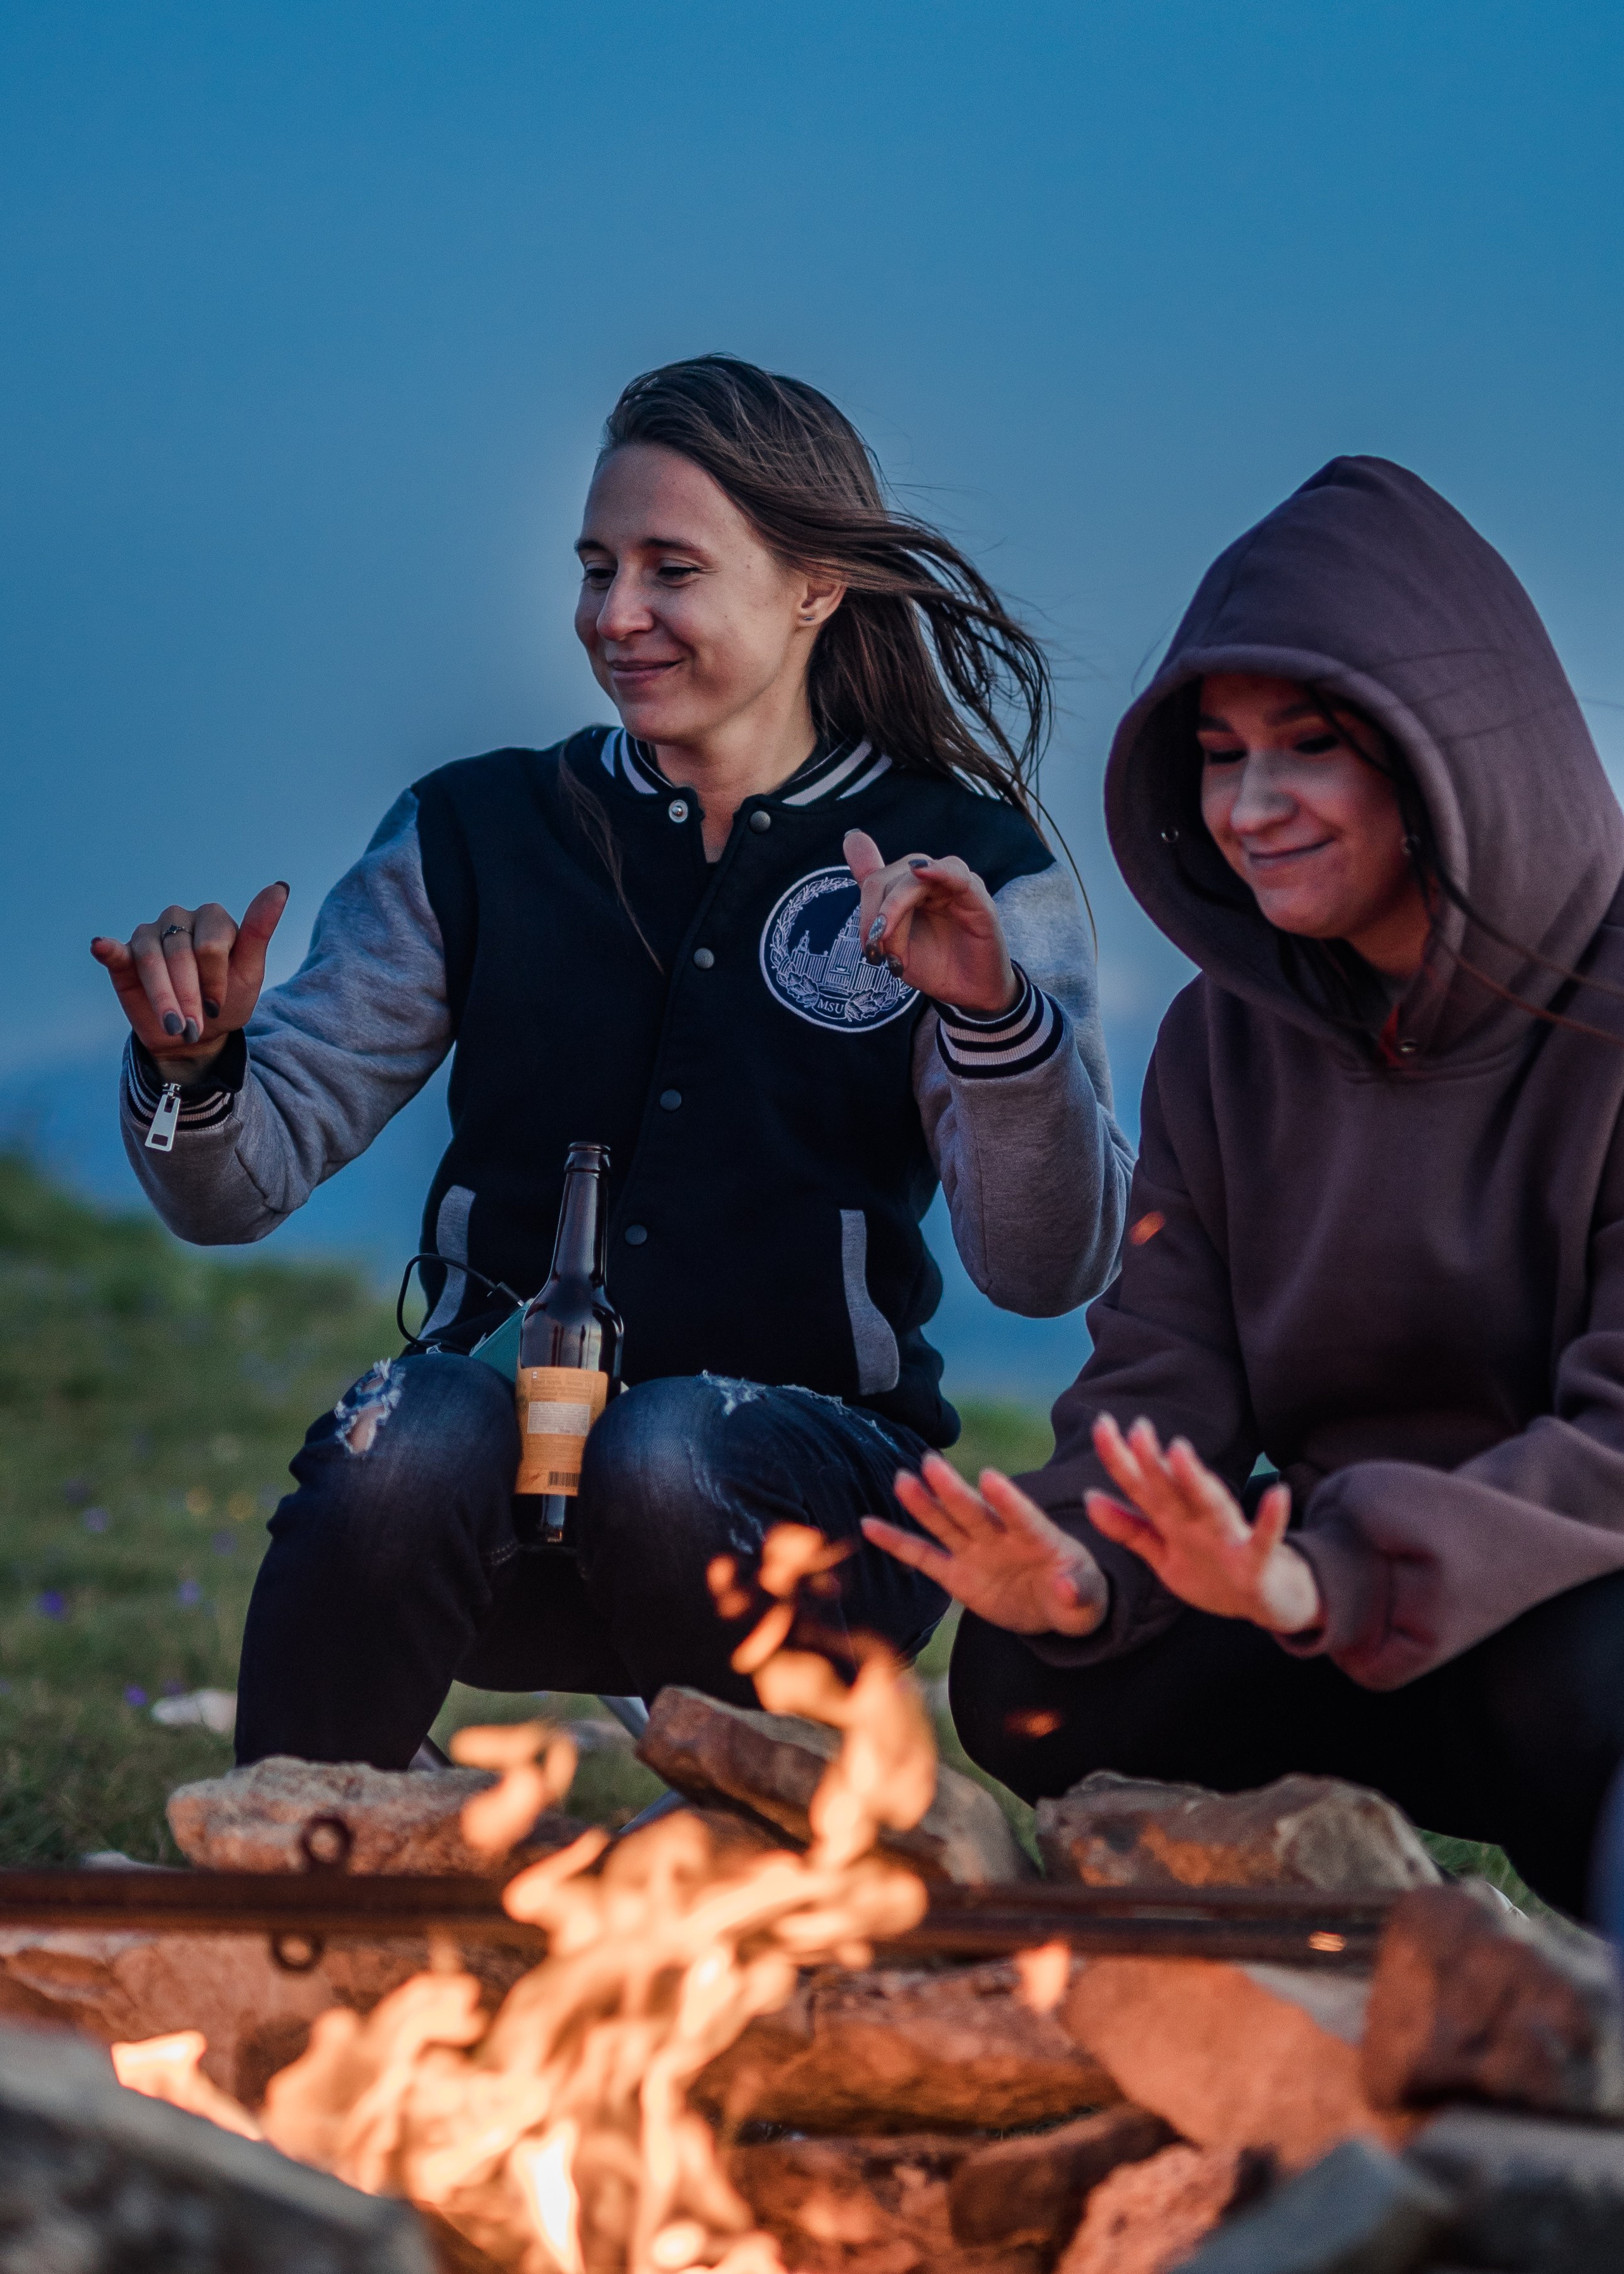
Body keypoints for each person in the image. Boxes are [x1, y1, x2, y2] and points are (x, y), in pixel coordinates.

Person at [95, 354, 1133, 1770]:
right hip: (500, 1497)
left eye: (670, 569)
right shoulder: (472, 834)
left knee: (663, 1450)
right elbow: (229, 1189)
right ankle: (287, 1875)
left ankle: (765, 1877)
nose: (615, 615)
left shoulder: (969, 873)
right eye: (595, 568)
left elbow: (1043, 1266)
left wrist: (994, 1021)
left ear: (815, 584)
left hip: (814, 1516)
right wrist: (193, 1070)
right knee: (406, 1432)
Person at [863, 456, 1624, 1914]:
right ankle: (1264, 2007)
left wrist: (1330, 1574)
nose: (1249, 805)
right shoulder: (1225, 1037)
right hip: (1325, 1607)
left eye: (1307, 747)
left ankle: (1583, 2078)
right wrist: (1080, 1565)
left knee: (1586, 1672)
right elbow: (1163, 1381)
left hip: (1553, 1606)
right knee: (1032, 1673)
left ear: (1441, 752)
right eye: (1218, 754)